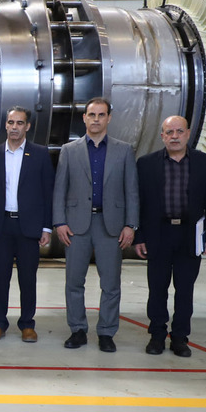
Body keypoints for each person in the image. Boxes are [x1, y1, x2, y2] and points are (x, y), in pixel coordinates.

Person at [52, 97, 139, 352]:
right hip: (76, 226)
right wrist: (59, 222)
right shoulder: (69, 150)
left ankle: (106, 332)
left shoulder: (124, 151)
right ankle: (78, 329)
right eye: (92, 115)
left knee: (110, 283)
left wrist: (130, 225)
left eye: (101, 115)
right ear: (84, 118)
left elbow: (132, 191)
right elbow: (60, 189)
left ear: (109, 118)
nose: (96, 119)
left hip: (111, 226)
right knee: (74, 282)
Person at [134, 116, 206, 357]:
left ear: (188, 134)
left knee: (184, 290)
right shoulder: (146, 164)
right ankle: (157, 336)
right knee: (157, 289)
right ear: (162, 135)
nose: (174, 136)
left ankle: (180, 338)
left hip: (189, 236)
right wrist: (139, 236)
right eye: (169, 132)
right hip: (158, 234)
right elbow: (140, 204)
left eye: (179, 131)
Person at [0, 107, 54, 343]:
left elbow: (48, 193)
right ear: (5, 125)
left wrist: (46, 227)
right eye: (11, 122)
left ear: (27, 127)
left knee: (28, 279)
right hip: (0, 225)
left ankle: (27, 324)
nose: (14, 127)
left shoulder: (40, 154)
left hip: (28, 227)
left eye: (19, 123)